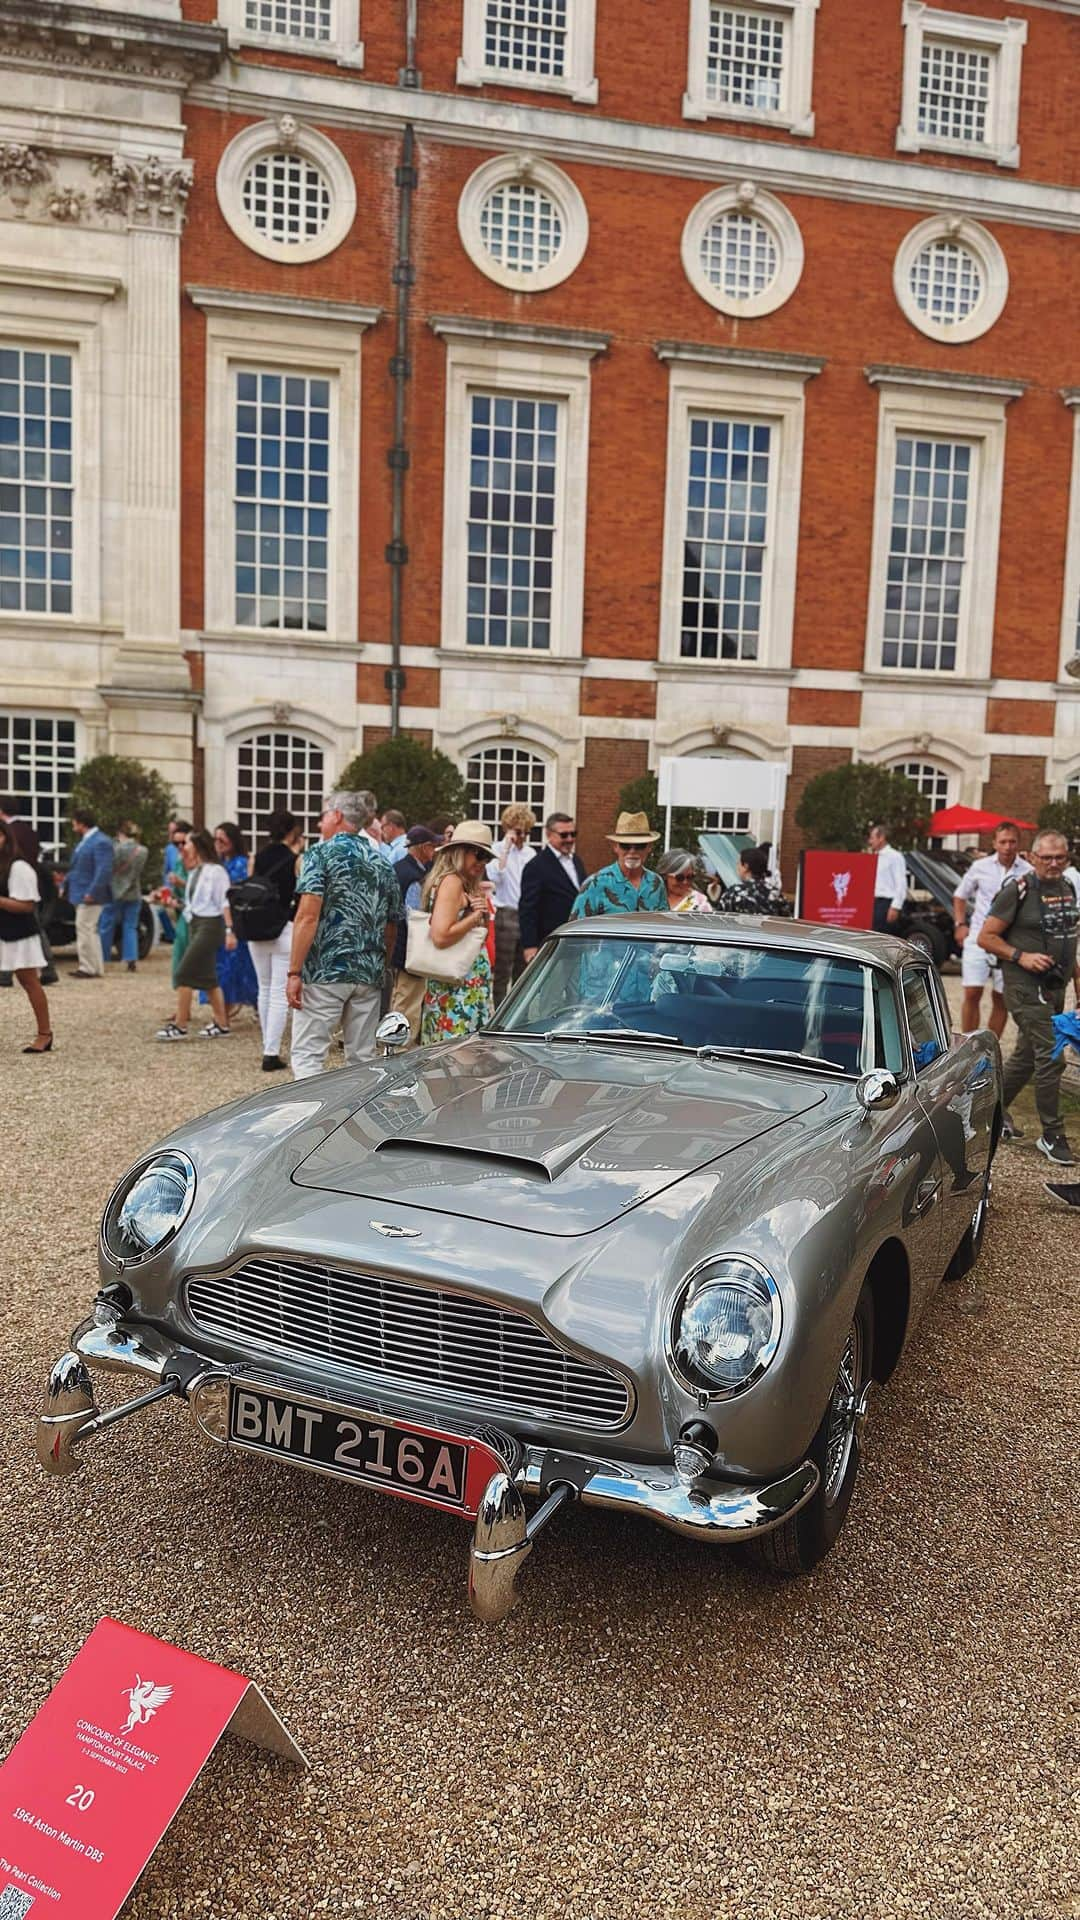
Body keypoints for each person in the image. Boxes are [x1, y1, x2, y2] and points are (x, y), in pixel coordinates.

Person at [978, 828, 1080, 1165]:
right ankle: (1052, 1134)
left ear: (1068, 859)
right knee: (1052, 1054)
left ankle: (988, 1114)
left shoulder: (1066, 888)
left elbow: (1070, 944)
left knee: (1025, 1056)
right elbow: (986, 936)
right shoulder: (1018, 890)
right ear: (1033, 857)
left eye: (1060, 857)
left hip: (1054, 988)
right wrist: (1021, 956)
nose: (1053, 863)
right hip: (1023, 987)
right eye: (1046, 857)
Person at [285, 791, 401, 1080]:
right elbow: (392, 926)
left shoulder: (319, 854)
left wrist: (294, 972)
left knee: (309, 1055)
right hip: (368, 971)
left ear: (337, 816)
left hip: (326, 968)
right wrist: (381, 965)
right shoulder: (382, 863)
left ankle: (310, 1121)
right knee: (362, 1059)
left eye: (324, 815)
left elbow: (307, 915)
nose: (320, 822)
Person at [419, 821, 496, 1045]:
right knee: (457, 1058)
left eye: (487, 857)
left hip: (465, 986)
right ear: (459, 851)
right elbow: (441, 936)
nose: (482, 862)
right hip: (457, 989)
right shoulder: (452, 882)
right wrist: (474, 917)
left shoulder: (465, 883)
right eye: (478, 854)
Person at [952, 821, 1031, 1037]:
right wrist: (960, 924)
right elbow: (960, 895)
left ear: (1018, 844)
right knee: (972, 992)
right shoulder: (980, 867)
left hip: (1008, 942)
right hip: (978, 936)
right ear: (995, 843)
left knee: (1001, 997)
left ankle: (991, 1048)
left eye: (1012, 842)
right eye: (1003, 841)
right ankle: (968, 1048)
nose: (1007, 846)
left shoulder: (1028, 871)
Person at [155, 829, 236, 1041]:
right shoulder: (195, 871)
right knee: (208, 978)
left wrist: (230, 930)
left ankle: (180, 1025)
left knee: (183, 973)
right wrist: (174, 904)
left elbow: (224, 902)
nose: (183, 847)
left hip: (211, 926)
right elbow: (196, 904)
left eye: (187, 843)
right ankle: (222, 1024)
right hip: (196, 924)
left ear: (198, 845)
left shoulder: (216, 872)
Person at [247, 808, 304, 1072]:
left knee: (264, 987)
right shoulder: (294, 859)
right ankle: (271, 1051)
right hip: (284, 927)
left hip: (257, 926)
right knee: (279, 993)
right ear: (292, 830)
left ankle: (266, 1044)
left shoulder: (257, 857)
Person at [0, 817, 52, 1052]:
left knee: (29, 981)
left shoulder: (19, 867)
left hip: (17, 933)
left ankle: (45, 1034)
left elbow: (26, 905)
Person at [0, 795, 58, 986]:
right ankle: (48, 966)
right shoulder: (29, 830)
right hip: (30, 883)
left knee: (28, 929)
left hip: (17, 885)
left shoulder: (11, 832)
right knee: (35, 928)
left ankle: (7, 973)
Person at [389, 825, 438, 1044]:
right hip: (411, 949)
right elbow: (416, 917)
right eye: (433, 846)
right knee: (408, 1002)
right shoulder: (415, 876)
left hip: (400, 945)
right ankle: (400, 1048)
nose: (434, 851)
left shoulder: (399, 868)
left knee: (403, 997)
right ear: (425, 847)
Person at [571, 812, 667, 920]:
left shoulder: (656, 883)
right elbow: (576, 928)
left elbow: (664, 926)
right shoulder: (596, 883)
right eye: (625, 846)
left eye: (640, 846)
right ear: (615, 847)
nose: (632, 852)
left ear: (649, 847)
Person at [519, 814, 585, 963]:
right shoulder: (535, 866)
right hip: (550, 943)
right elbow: (527, 909)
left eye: (573, 834)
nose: (569, 839)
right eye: (564, 835)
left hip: (576, 942)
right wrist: (529, 946)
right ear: (549, 835)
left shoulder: (577, 861)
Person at [490, 803, 537, 1004]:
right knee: (502, 970)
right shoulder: (496, 849)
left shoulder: (531, 854)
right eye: (519, 831)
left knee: (523, 970)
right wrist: (506, 849)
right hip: (505, 913)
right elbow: (496, 877)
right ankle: (499, 1009)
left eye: (526, 832)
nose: (522, 836)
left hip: (525, 913)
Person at [61, 808, 114, 978]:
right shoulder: (87, 840)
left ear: (81, 822)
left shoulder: (100, 841)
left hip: (89, 893)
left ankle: (87, 967)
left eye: (74, 821)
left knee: (84, 928)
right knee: (90, 929)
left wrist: (93, 891)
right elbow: (76, 867)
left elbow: (104, 869)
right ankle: (95, 966)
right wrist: (64, 883)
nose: (72, 824)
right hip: (81, 891)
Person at [213, 823, 259, 1019]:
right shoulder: (220, 863)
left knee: (237, 966)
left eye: (222, 839)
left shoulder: (240, 863)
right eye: (216, 839)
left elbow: (238, 892)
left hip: (235, 920)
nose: (218, 843)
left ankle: (237, 1004)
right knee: (226, 965)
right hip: (220, 919)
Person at [99, 820, 147, 971]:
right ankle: (130, 958)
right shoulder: (142, 851)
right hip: (134, 891)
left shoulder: (116, 849)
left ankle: (103, 956)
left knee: (106, 924)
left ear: (121, 833)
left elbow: (108, 867)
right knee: (131, 926)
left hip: (115, 890)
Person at [720, 846, 793, 916]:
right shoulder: (775, 894)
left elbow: (719, 920)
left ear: (745, 866)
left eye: (738, 863)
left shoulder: (734, 893)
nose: (737, 867)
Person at [867, 823, 907, 933]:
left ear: (881, 838)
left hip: (885, 904)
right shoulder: (873, 857)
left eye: (872, 838)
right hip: (873, 904)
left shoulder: (895, 856)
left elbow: (901, 883)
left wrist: (895, 907)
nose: (870, 842)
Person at [657, 848, 712, 914]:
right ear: (665, 875)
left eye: (690, 877)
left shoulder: (700, 902)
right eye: (679, 877)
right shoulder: (651, 897)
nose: (685, 882)